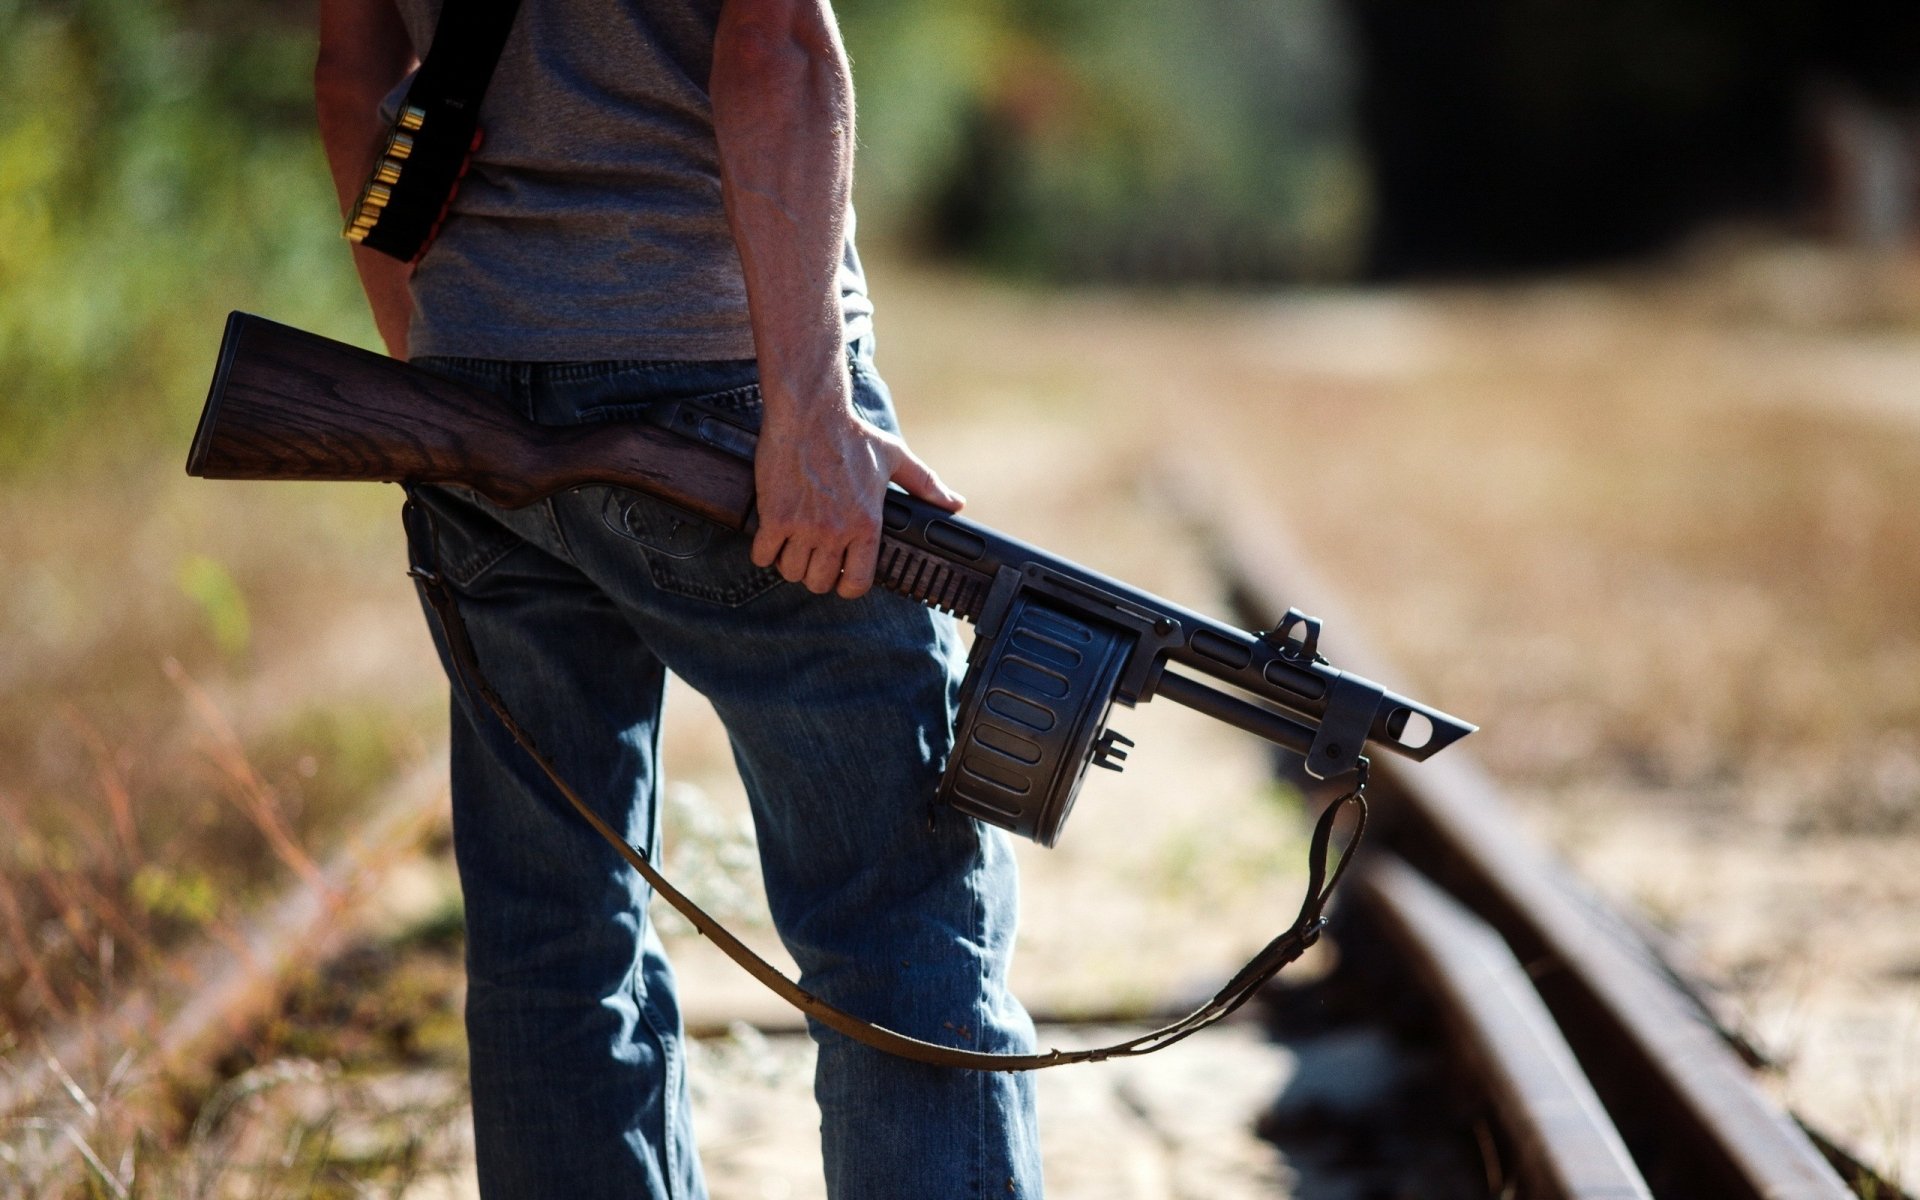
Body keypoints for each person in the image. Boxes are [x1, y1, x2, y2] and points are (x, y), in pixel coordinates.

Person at [314, 2, 1044, 1196]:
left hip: (477, 393)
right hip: (722, 387)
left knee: (549, 946)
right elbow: (774, 43)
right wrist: (807, 407)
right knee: (897, 926)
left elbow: (354, 66)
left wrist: (435, 371)